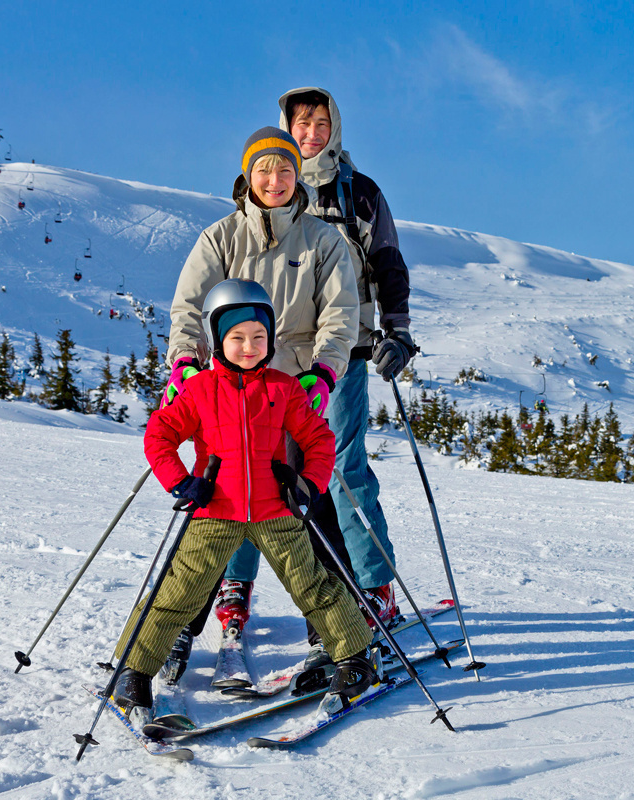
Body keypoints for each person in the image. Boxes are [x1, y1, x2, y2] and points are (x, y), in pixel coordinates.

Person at [112, 279, 378, 717]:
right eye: (237, 338)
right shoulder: (198, 391)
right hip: (216, 510)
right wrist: (181, 483)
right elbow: (159, 434)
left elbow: (319, 440)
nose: (249, 346)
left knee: (314, 585)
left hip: (276, 510)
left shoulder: (283, 388)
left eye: (259, 336)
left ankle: (354, 657)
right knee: (178, 592)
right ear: (217, 339)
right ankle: (133, 671)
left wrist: (307, 484)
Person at [160, 127, 360, 676]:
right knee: (213, 506)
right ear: (248, 176)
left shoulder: (323, 240)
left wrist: (323, 373)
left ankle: (334, 629)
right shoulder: (220, 238)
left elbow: (341, 316)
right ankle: (177, 628)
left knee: (311, 503)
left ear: (300, 175)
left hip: (293, 388)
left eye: (286, 169)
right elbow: (188, 308)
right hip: (225, 392)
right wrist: (184, 362)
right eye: (264, 170)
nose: (276, 180)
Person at [276, 87, 415, 637]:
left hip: (345, 349)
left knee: (340, 468)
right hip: (279, 353)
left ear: (336, 125)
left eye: (321, 121)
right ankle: (308, 592)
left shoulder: (360, 193)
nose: (311, 133)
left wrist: (398, 333)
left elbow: (387, 262)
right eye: (301, 122)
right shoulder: (271, 185)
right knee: (271, 474)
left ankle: (375, 588)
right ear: (285, 126)